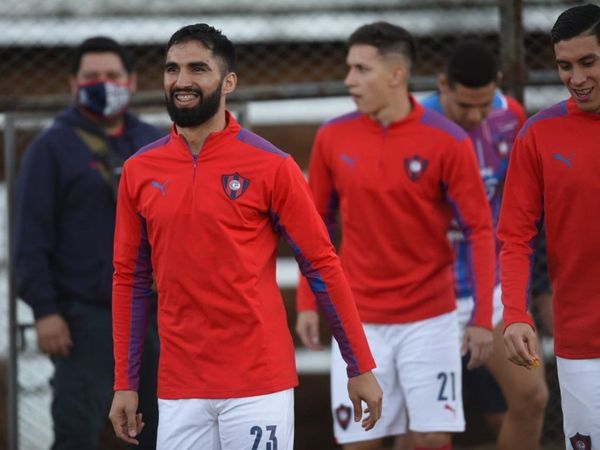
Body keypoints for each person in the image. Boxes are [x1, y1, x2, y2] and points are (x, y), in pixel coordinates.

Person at [107, 23, 382, 450]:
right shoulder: (140, 171)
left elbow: (322, 264)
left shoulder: (272, 165)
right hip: (180, 386)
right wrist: (125, 383)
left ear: (228, 82)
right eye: (172, 69)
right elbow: (129, 279)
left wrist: (358, 365)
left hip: (258, 382)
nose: (181, 81)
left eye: (198, 69)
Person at [295, 22, 496, 450]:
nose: (349, 79)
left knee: (429, 438)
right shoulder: (333, 136)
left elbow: (480, 229)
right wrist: (309, 302)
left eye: (361, 69)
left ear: (396, 75)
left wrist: (481, 317)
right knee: (360, 442)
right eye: (349, 68)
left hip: (430, 318)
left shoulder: (448, 140)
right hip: (358, 320)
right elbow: (315, 226)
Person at [14, 37, 161, 449]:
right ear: (72, 84)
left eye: (111, 76)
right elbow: (29, 238)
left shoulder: (154, 143)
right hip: (83, 319)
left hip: (152, 315)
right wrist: (45, 311)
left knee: (162, 429)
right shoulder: (51, 148)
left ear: (131, 82)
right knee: (76, 431)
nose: (102, 83)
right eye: (91, 76)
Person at [421, 41, 548, 450]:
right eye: (463, 107)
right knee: (428, 431)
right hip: (428, 296)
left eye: (484, 105)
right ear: (443, 85)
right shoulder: (416, 125)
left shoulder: (511, 116)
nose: (476, 117)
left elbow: (522, 205)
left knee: (531, 398)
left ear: (497, 86)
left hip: (488, 289)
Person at [498, 3, 600, 449]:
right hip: (582, 341)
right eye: (564, 66)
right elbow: (514, 237)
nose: (576, 78)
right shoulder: (537, 135)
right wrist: (515, 314)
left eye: (588, 62)